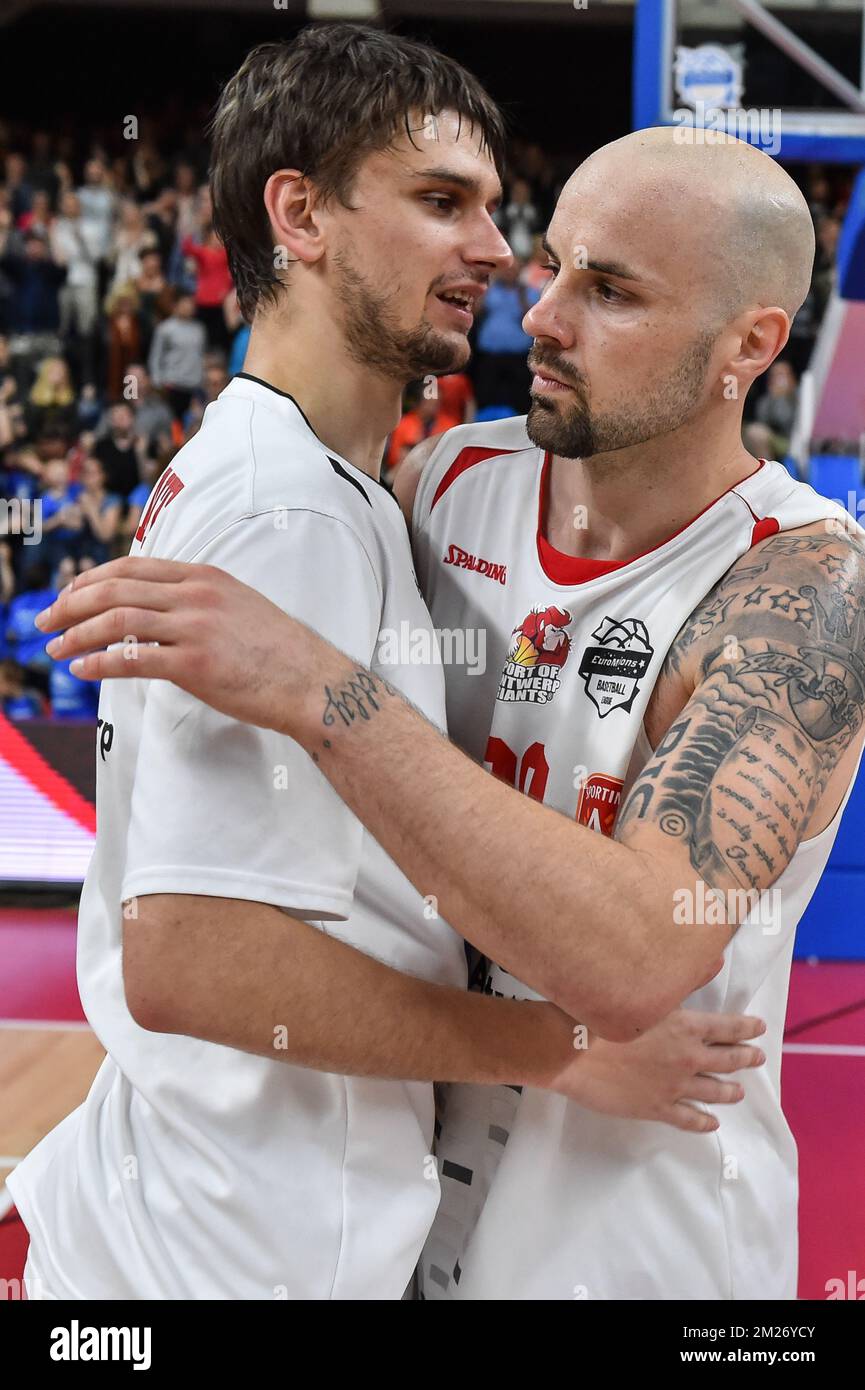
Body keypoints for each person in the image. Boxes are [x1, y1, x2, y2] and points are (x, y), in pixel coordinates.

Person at [46, 128, 865, 1301]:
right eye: (552, 266)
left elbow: (632, 960)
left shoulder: (807, 589)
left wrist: (327, 691)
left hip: (633, 1244)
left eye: (610, 289)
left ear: (749, 344)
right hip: (395, 1229)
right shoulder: (440, 487)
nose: (538, 315)